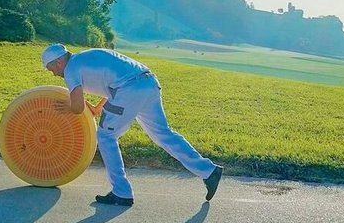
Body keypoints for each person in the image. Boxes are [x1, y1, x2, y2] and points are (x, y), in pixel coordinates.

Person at [42, 43, 223, 206]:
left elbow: (77, 107)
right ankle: (208, 171)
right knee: (163, 134)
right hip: (148, 82)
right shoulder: (88, 56)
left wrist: (67, 106)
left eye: (50, 68)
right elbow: (111, 78)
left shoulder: (71, 69)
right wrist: (97, 108)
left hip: (128, 90)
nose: (53, 73)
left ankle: (122, 193)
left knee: (106, 136)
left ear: (58, 62)